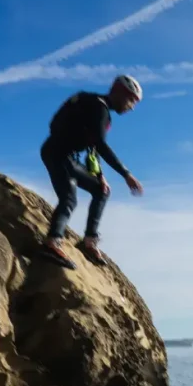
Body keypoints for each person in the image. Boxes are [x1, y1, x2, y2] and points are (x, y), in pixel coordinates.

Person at [37, 75, 145, 269]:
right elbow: (101, 145)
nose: (131, 107)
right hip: (59, 154)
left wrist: (100, 176)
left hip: (63, 155)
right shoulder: (100, 109)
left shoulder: (91, 102)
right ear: (119, 92)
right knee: (69, 199)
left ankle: (89, 241)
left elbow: (91, 145)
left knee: (101, 190)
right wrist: (126, 174)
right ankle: (52, 242)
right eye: (131, 100)